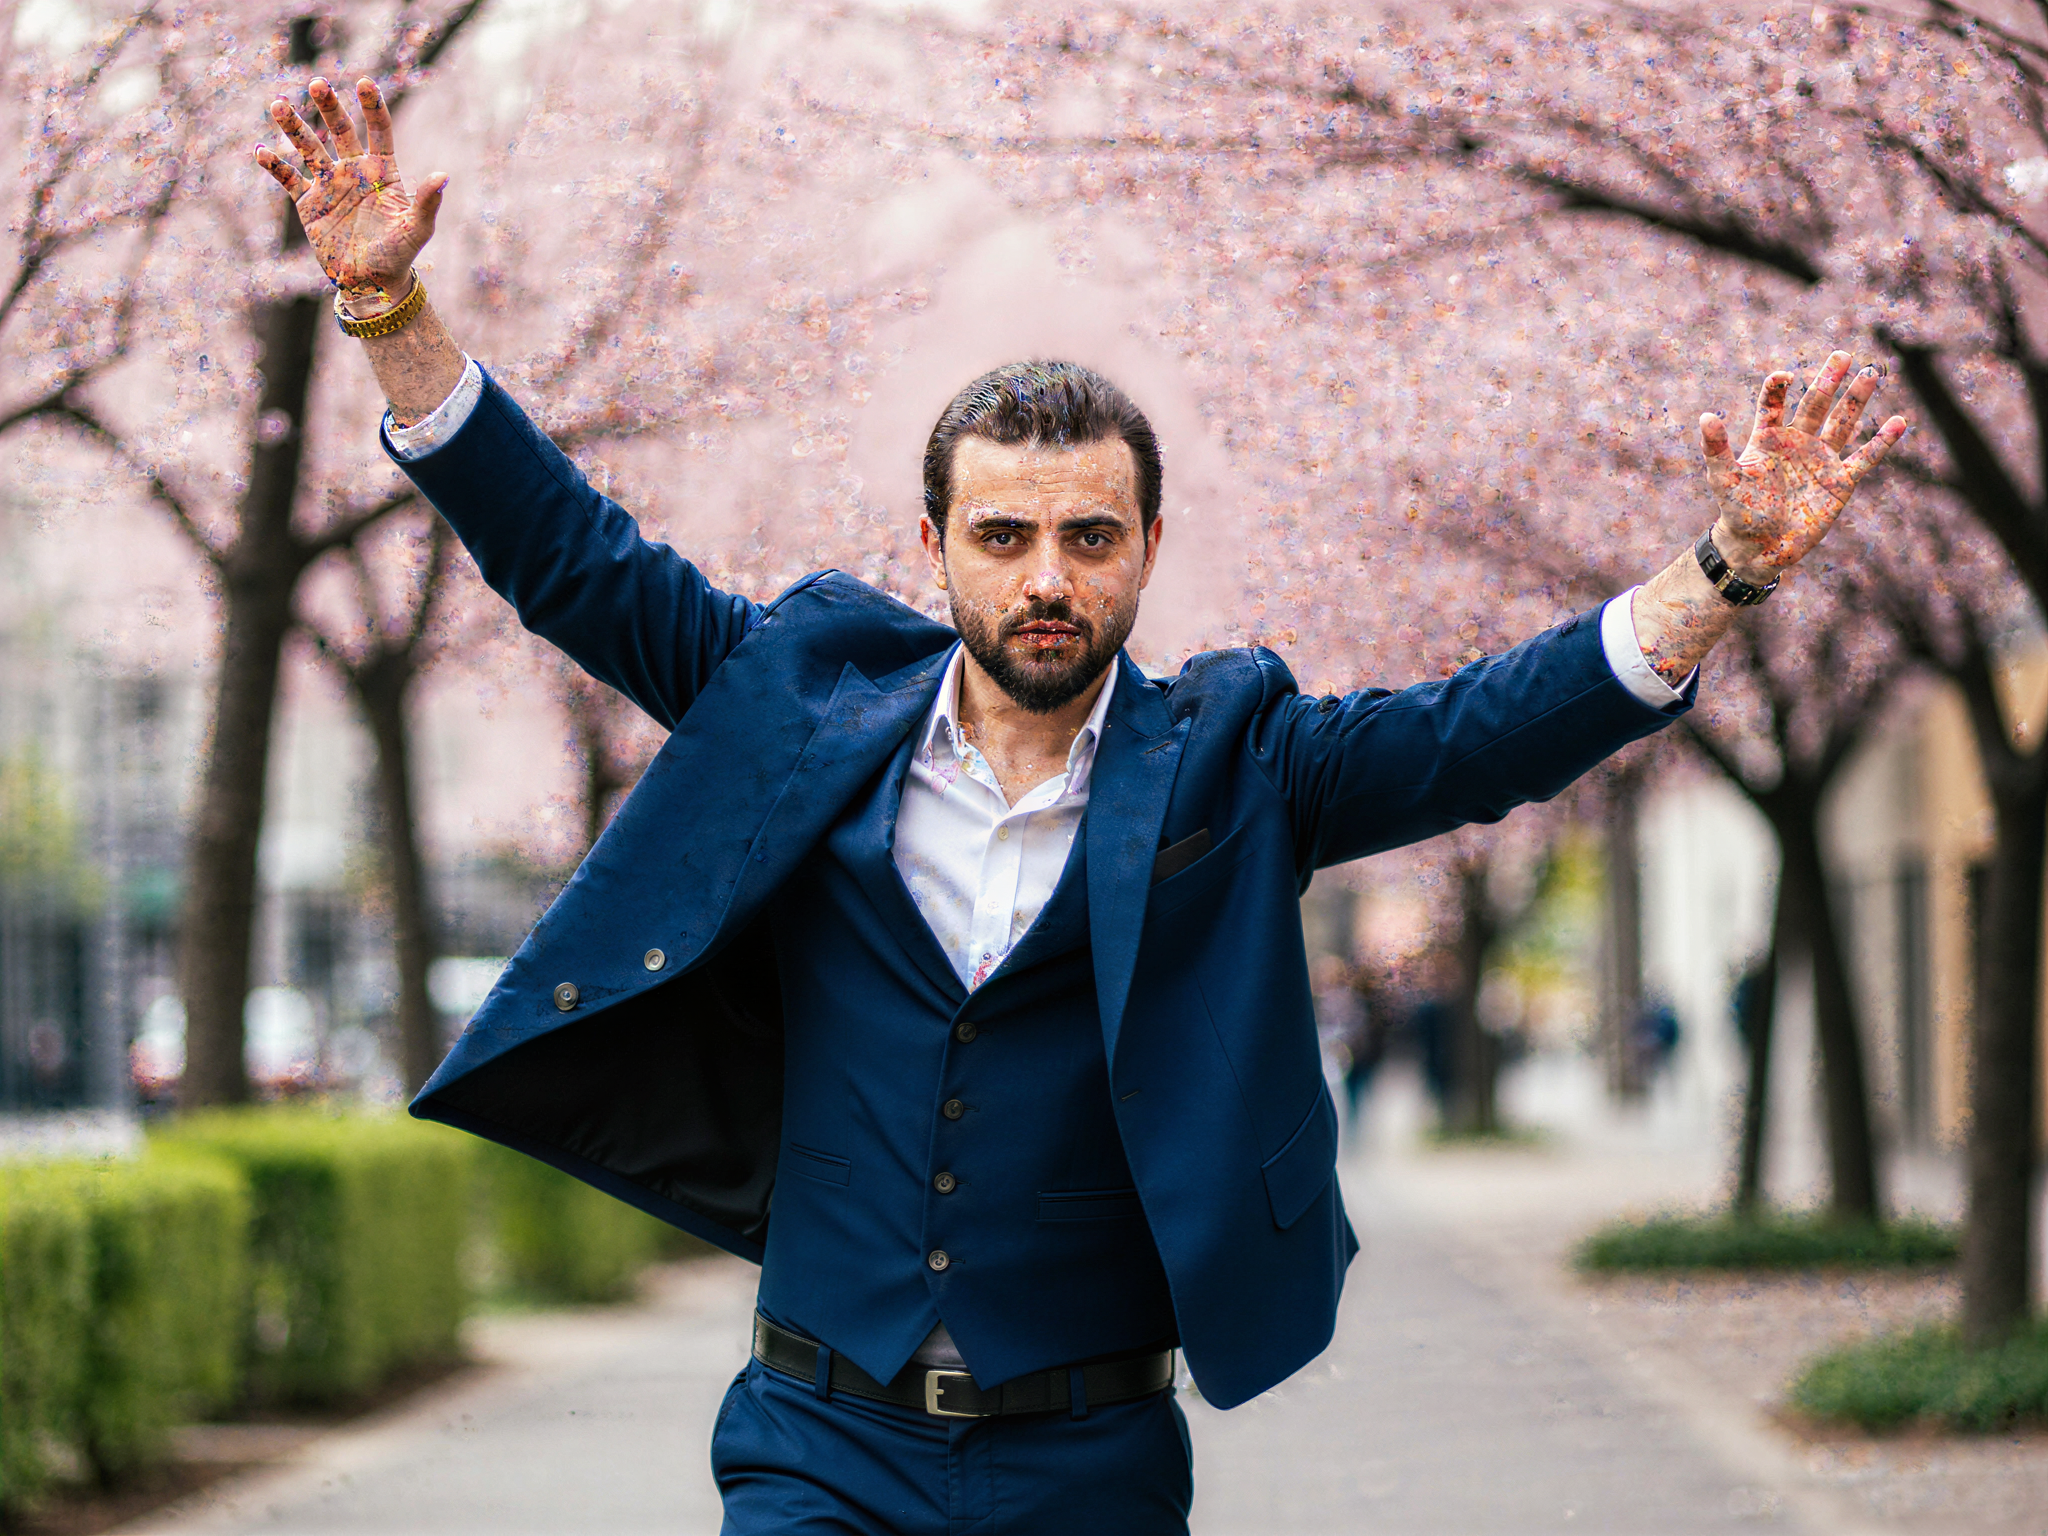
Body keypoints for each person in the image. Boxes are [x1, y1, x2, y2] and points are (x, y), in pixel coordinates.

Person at [255, 77, 1907, 1536]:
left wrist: (1725, 571)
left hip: (1092, 1458)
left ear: (1144, 552)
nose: (1047, 579)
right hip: (816, 1443)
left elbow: (1486, 733)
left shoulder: (1239, 762)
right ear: (937, 549)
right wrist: (393, 307)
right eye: (1005, 536)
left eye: (1090, 538)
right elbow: (572, 558)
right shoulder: (800, 703)